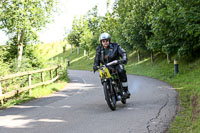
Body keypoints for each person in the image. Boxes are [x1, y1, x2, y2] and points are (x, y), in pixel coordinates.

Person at [93, 33, 130, 98]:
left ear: (109, 41)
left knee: (121, 71)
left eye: (107, 40)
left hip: (116, 64)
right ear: (101, 42)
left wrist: (124, 58)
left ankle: (125, 90)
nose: (105, 42)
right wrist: (96, 65)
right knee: (103, 76)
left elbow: (123, 52)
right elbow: (97, 59)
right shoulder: (99, 49)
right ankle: (108, 89)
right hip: (105, 67)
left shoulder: (116, 46)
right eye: (103, 41)